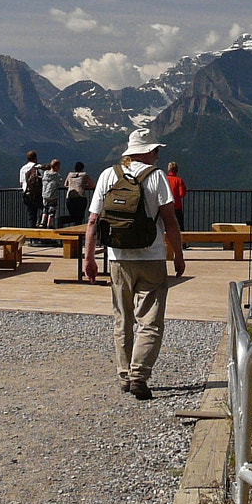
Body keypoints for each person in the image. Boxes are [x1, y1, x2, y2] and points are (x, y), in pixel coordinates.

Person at [84, 127, 185, 400]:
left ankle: (124, 376)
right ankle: (140, 375)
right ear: (148, 152)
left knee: (123, 319)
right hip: (151, 257)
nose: (157, 154)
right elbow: (170, 221)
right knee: (150, 321)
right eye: (155, 150)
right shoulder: (157, 177)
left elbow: (93, 221)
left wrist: (89, 258)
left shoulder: (108, 175)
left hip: (116, 258)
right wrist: (177, 254)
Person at [65, 161, 95, 226]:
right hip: (81, 198)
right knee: (80, 217)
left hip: (70, 198)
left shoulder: (70, 175)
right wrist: (84, 187)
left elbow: (65, 184)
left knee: (72, 216)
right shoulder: (84, 175)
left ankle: (65, 224)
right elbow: (92, 185)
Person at [19, 151, 41, 226]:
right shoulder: (38, 167)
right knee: (46, 210)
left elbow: (21, 183)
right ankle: (41, 224)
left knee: (31, 216)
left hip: (26, 195)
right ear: (36, 158)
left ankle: (31, 235)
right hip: (37, 194)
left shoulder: (23, 168)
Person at [40, 158, 62, 227]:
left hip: (45, 194)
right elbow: (59, 183)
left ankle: (42, 222)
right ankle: (49, 225)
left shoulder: (45, 173)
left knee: (45, 209)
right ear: (56, 166)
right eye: (58, 166)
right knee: (52, 210)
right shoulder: (56, 175)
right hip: (53, 195)